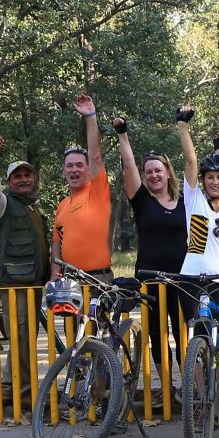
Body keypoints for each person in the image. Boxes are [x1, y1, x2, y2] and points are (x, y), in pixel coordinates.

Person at [112, 116, 186, 373]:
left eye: (158, 170)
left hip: (180, 279)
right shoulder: (142, 200)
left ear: (168, 173)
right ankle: (166, 388)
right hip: (150, 277)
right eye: (149, 171)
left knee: (183, 334)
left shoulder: (185, 201)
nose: (154, 175)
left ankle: (188, 389)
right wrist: (123, 134)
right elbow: (129, 166)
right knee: (156, 335)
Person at [0, 133, 50, 407]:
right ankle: (25, 394)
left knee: (25, 337)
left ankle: (11, 388)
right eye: (17, 176)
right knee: (20, 335)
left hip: (33, 283)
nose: (24, 179)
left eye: (27, 175)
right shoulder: (3, 205)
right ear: (9, 182)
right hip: (13, 285)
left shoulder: (34, 208)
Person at [51, 94, 112, 283]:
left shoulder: (97, 192)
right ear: (63, 170)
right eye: (69, 166)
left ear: (88, 170)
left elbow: (94, 155)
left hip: (96, 278)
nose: (74, 169)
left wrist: (90, 117)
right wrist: (54, 276)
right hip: (69, 281)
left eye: (79, 165)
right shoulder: (62, 205)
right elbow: (56, 244)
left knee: (93, 315)